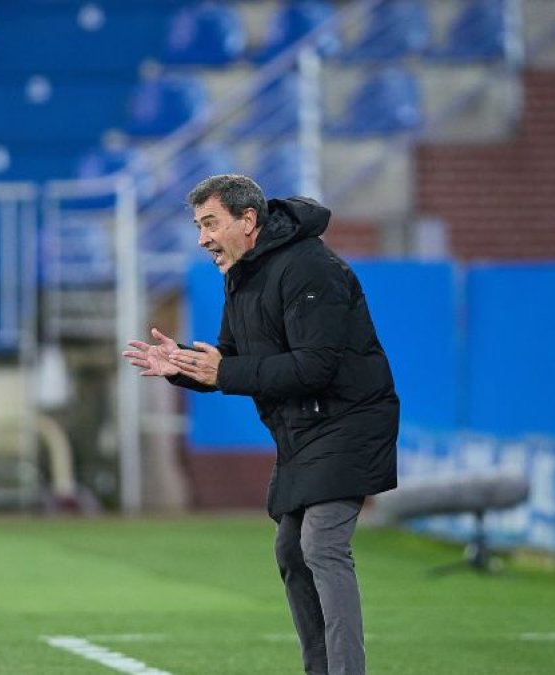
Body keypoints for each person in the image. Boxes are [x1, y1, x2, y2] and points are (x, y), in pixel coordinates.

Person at [123, 174, 398, 675]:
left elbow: (316, 365)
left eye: (210, 223)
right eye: (199, 226)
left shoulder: (312, 268)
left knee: (321, 544)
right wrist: (184, 364)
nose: (202, 238)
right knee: (292, 551)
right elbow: (230, 357)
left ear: (248, 221)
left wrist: (224, 371)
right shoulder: (242, 274)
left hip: (351, 422)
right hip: (302, 431)